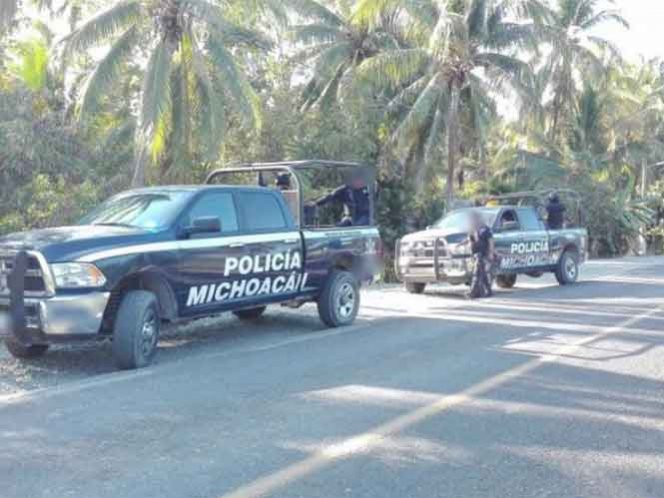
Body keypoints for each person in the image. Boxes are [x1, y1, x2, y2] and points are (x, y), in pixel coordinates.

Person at [467, 211, 495, 299]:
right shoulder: (474, 230)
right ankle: (488, 291)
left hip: (482, 254)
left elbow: (491, 242)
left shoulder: (485, 229)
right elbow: (470, 240)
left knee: (476, 273)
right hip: (475, 254)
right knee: (482, 273)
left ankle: (472, 293)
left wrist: (491, 253)